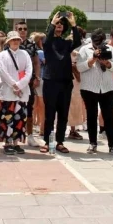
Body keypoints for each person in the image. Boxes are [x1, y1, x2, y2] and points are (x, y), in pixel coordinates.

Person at [41, 12, 81, 154]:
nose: (59, 26)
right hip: (50, 82)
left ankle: (59, 142)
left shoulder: (66, 43)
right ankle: (48, 142)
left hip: (65, 82)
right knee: (50, 114)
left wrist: (73, 25)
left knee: (63, 114)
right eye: (57, 24)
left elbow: (78, 42)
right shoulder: (47, 42)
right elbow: (47, 40)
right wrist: (52, 23)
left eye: (61, 24)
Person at [76, 28, 113, 155]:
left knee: (109, 117)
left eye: (100, 42)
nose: (98, 45)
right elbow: (79, 67)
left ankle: (112, 145)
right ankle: (92, 143)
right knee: (91, 116)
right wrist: (93, 59)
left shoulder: (110, 49)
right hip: (89, 88)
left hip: (107, 87)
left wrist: (107, 63)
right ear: (92, 40)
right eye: (96, 42)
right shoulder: (85, 49)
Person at [0, 31, 33, 155]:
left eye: (17, 39)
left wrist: (20, 85)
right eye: (13, 40)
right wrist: (14, 85)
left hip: (22, 92)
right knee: (7, 118)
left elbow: (29, 71)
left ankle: (16, 142)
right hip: (7, 92)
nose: (15, 42)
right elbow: (2, 72)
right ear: (8, 42)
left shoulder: (25, 54)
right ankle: (7, 143)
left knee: (20, 118)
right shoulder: (2, 55)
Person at [14, 20, 41, 148]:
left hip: (29, 82)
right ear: (16, 30)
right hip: (14, 83)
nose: (23, 31)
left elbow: (36, 62)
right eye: (20, 29)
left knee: (29, 109)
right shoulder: (11, 44)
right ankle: (14, 136)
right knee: (14, 108)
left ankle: (30, 136)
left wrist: (37, 77)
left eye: (25, 28)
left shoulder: (31, 44)